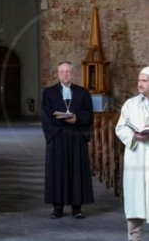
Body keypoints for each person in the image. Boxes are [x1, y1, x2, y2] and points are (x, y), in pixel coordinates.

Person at [41, 61, 94, 219]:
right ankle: (57, 208)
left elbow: (89, 114)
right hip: (57, 137)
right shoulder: (49, 93)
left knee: (76, 171)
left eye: (68, 71)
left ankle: (77, 208)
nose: (65, 74)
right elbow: (45, 115)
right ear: (57, 74)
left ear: (72, 73)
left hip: (76, 137)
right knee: (57, 172)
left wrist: (76, 118)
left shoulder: (82, 93)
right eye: (62, 72)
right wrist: (61, 121)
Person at [115, 66, 149, 241]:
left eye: (144, 81)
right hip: (136, 159)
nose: (140, 84)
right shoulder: (130, 104)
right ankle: (134, 237)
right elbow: (120, 127)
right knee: (135, 200)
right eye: (139, 80)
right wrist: (134, 136)